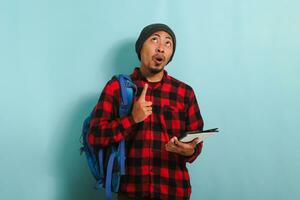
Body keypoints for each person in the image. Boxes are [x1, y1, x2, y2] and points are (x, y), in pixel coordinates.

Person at [88, 23, 204, 200]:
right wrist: (132, 119)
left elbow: (196, 143)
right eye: (154, 39)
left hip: (173, 191)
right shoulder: (116, 88)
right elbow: (94, 137)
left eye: (168, 43)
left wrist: (189, 150)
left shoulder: (184, 92)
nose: (161, 48)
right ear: (141, 47)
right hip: (130, 192)